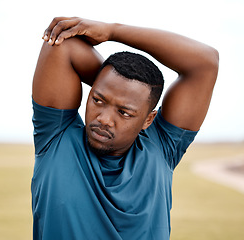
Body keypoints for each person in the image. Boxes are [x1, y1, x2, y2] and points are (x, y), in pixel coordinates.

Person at [31, 17, 219, 240]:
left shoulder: (162, 147)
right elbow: (64, 44)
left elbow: (206, 62)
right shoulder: (56, 136)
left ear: (148, 119)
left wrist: (113, 31)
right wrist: (117, 85)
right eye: (98, 100)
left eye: (124, 112)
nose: (105, 119)